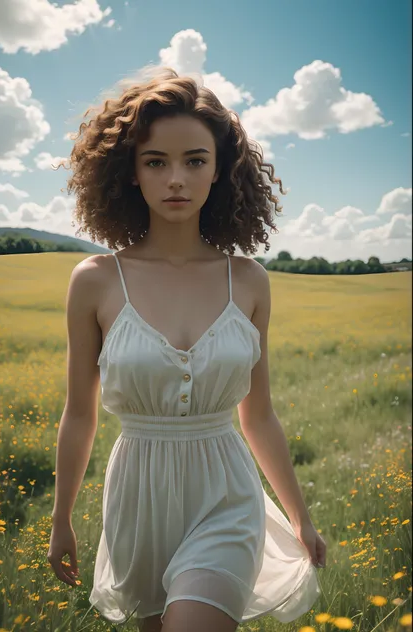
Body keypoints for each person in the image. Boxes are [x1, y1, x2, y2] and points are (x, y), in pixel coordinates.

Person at [47, 65, 326, 632]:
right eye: (156, 161)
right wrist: (61, 518)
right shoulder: (96, 281)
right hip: (138, 496)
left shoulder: (248, 281)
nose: (177, 178)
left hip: (226, 493)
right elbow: (78, 414)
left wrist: (300, 516)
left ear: (220, 169)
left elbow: (260, 414)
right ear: (130, 173)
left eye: (195, 160)